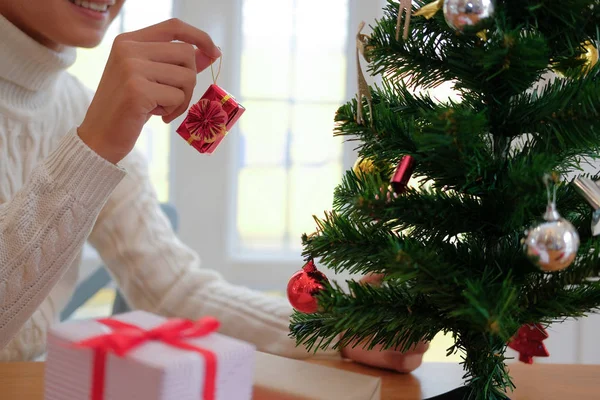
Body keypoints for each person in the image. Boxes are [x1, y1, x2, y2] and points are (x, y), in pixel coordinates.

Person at [0, 0, 428, 371]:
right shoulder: (95, 122)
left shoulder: (77, 106)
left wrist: (337, 329)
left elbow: (171, 290)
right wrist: (94, 147)